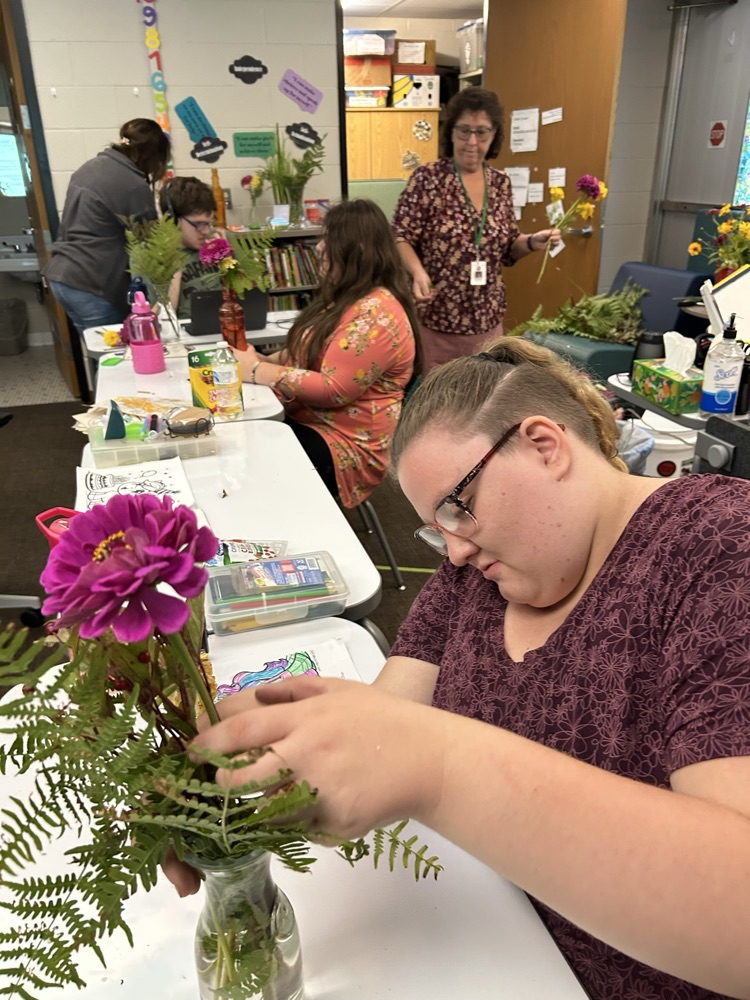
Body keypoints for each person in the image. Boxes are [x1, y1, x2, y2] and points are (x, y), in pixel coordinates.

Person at [175, 337, 750, 1000]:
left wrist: (438, 767)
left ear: (543, 445)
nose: (451, 551)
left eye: (458, 507)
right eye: (434, 527)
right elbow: (386, 722)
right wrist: (241, 786)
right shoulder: (477, 576)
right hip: (478, 944)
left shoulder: (718, 548)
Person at [232, 198, 420, 508]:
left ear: (356, 249)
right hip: (315, 424)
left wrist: (255, 371)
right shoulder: (349, 298)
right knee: (244, 440)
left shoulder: (377, 313)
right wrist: (264, 359)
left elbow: (333, 390)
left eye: (328, 239)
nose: (319, 248)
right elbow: (307, 350)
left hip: (345, 445)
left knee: (252, 459)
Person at [392, 88, 560, 372]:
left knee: (481, 403)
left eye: (482, 132)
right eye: (464, 131)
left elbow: (507, 247)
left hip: (486, 321)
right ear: (451, 132)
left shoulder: (500, 183)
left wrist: (531, 242)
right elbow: (399, 235)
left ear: (494, 135)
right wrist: (418, 272)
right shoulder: (428, 178)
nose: (472, 142)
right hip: (437, 320)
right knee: (438, 404)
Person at [45, 118, 170, 334]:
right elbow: (151, 241)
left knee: (99, 355)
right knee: (116, 356)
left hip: (62, 277)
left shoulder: (89, 167)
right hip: (92, 282)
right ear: (152, 155)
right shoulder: (132, 184)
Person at [158, 176, 221, 319]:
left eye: (209, 223)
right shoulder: (151, 256)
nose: (205, 231)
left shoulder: (220, 239)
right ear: (173, 220)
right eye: (198, 224)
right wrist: (174, 269)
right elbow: (156, 322)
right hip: (182, 337)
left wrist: (229, 264)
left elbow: (251, 297)